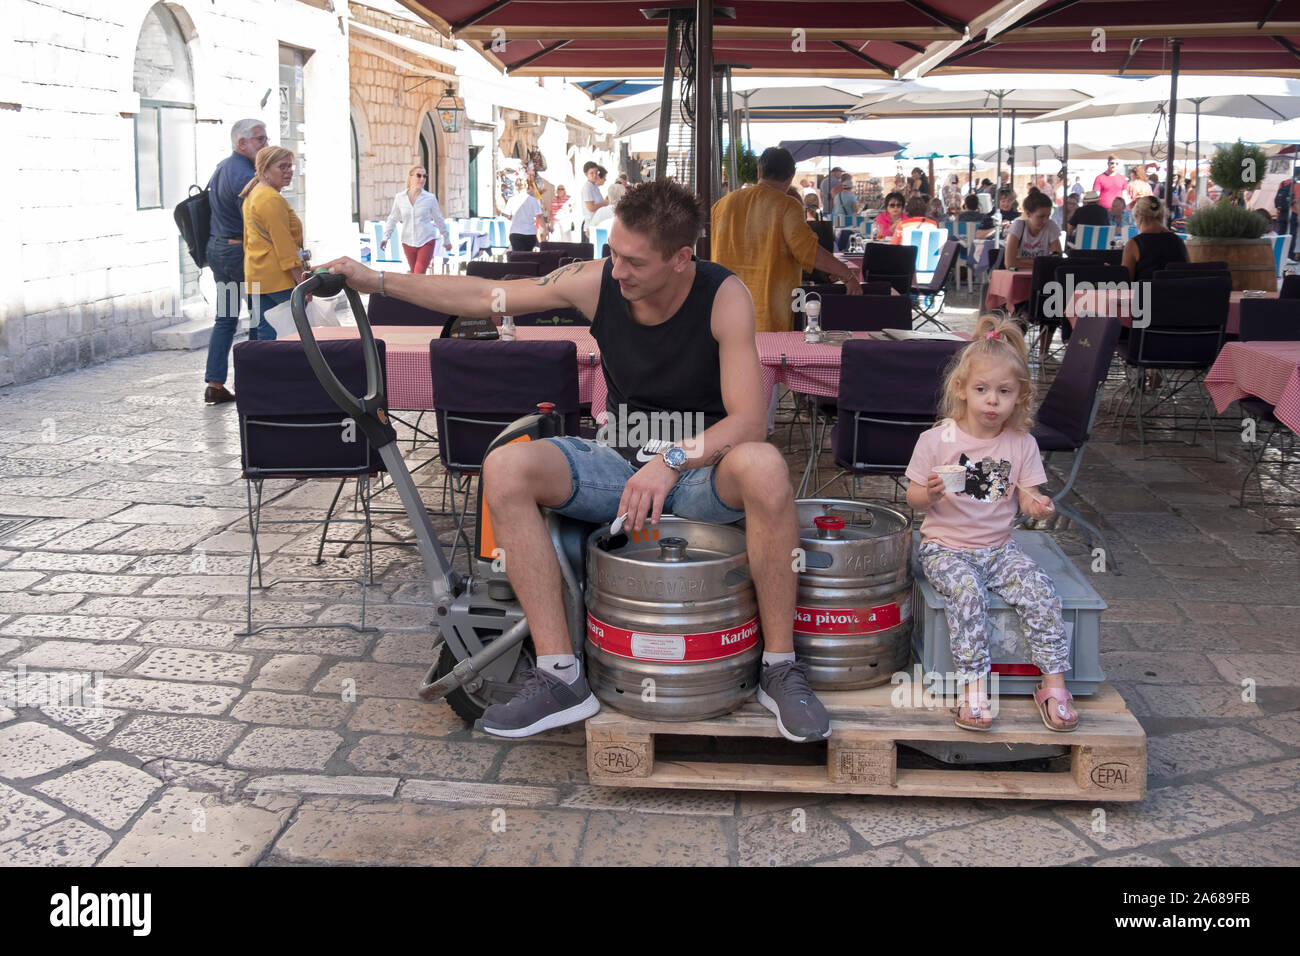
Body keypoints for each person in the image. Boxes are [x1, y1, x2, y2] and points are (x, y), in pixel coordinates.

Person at [320, 179, 836, 743]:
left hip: (699, 470)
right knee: (507, 466)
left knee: (764, 465)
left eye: (634, 262)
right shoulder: (595, 282)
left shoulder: (723, 295)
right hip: (615, 465)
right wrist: (375, 279)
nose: (617, 271)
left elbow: (748, 423)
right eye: (613, 252)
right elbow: (481, 297)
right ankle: (561, 675)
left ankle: (779, 668)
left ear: (683, 259)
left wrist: (670, 458)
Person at [904, 315, 1076, 733]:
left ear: (1020, 397)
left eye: (1004, 392)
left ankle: (1053, 684)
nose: (992, 401)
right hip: (944, 547)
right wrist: (931, 494)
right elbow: (912, 499)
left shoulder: (1021, 444)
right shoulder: (936, 440)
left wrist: (1038, 506)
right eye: (982, 390)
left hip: (999, 549)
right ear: (961, 391)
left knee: (1040, 591)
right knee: (967, 594)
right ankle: (974, 689)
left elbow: (1027, 493)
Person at [711, 146, 861, 333]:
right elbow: (808, 251)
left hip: (723, 311)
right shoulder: (787, 206)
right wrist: (847, 274)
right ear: (791, 177)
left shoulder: (721, 205)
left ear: (759, 170)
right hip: (766, 316)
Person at [202, 117, 266, 405]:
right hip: (239, 254)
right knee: (257, 317)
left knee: (226, 318)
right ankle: (253, 383)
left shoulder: (222, 168)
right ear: (242, 143)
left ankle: (215, 383)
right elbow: (253, 220)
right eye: (260, 139)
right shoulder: (245, 176)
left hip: (218, 251)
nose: (266, 144)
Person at [239, 145, 306, 340]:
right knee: (295, 333)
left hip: (257, 274)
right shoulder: (270, 198)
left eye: (290, 166)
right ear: (265, 170)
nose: (288, 172)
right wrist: (300, 279)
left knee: (267, 335)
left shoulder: (254, 194)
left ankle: (268, 370)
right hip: (279, 278)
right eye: (282, 167)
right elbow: (283, 243)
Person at [382, 165, 451, 276]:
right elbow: (393, 218)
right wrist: (385, 237)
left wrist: (446, 239)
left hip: (426, 240)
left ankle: (418, 293)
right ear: (411, 177)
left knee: (418, 274)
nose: (422, 179)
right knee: (414, 274)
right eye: (419, 175)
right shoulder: (400, 197)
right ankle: (422, 293)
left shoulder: (430, 198)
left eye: (424, 176)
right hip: (407, 241)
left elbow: (439, 219)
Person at [1122, 197, 1188, 281]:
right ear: (1162, 215)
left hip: (1145, 293)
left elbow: (1125, 283)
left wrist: (1111, 273)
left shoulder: (1133, 244)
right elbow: (1187, 273)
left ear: (1138, 217)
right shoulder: (1178, 241)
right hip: (1177, 293)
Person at [1003, 191, 1063, 270]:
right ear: (1028, 214)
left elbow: (1057, 261)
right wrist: (1043, 263)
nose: (1045, 220)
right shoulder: (1018, 226)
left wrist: (1020, 262)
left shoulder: (1051, 226)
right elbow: (1009, 263)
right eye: (1041, 216)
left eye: (1048, 216)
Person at [506, 179, 546, 251]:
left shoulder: (511, 200)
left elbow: (508, 216)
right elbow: (539, 216)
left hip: (516, 232)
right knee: (527, 256)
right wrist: (544, 230)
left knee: (517, 257)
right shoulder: (533, 200)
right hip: (530, 233)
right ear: (526, 186)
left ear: (516, 187)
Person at [580, 162, 607, 241]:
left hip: (597, 225)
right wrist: (604, 203)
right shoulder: (587, 188)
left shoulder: (594, 186)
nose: (595, 175)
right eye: (591, 173)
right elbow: (591, 207)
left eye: (596, 172)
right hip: (590, 227)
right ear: (586, 174)